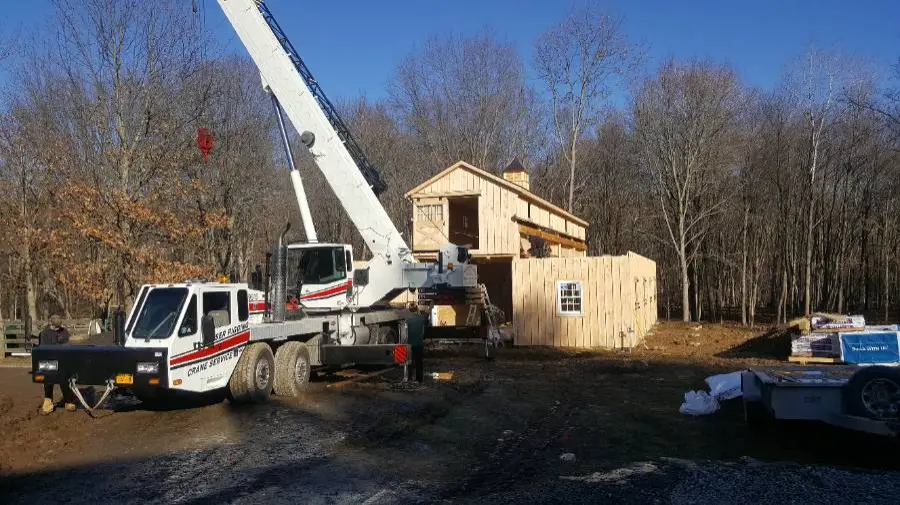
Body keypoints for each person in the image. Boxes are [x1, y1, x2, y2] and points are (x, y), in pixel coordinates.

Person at [39, 315, 76, 415]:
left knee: (65, 380)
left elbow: (68, 344)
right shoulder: (44, 333)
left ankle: (69, 401)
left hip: (62, 360)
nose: (57, 329)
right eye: (55, 327)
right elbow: (44, 348)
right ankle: (48, 404)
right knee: (48, 382)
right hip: (48, 360)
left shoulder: (64, 331)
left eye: (58, 327)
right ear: (50, 323)